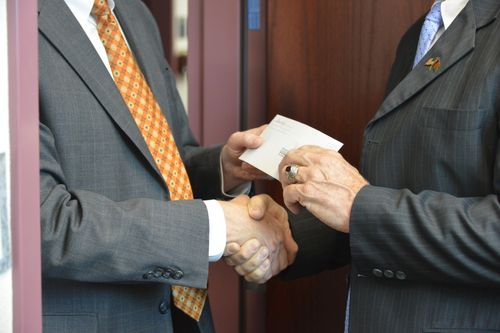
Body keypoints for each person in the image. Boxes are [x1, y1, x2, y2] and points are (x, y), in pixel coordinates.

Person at [227, 0, 500, 332]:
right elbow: (387, 195)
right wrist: (286, 237)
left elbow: (364, 206)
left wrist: (358, 206)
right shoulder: (420, 34)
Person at [39, 0, 297, 332]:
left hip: (181, 318)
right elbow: (43, 223)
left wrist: (224, 169)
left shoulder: (133, 14)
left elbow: (164, 163)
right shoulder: (13, 24)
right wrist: (218, 226)